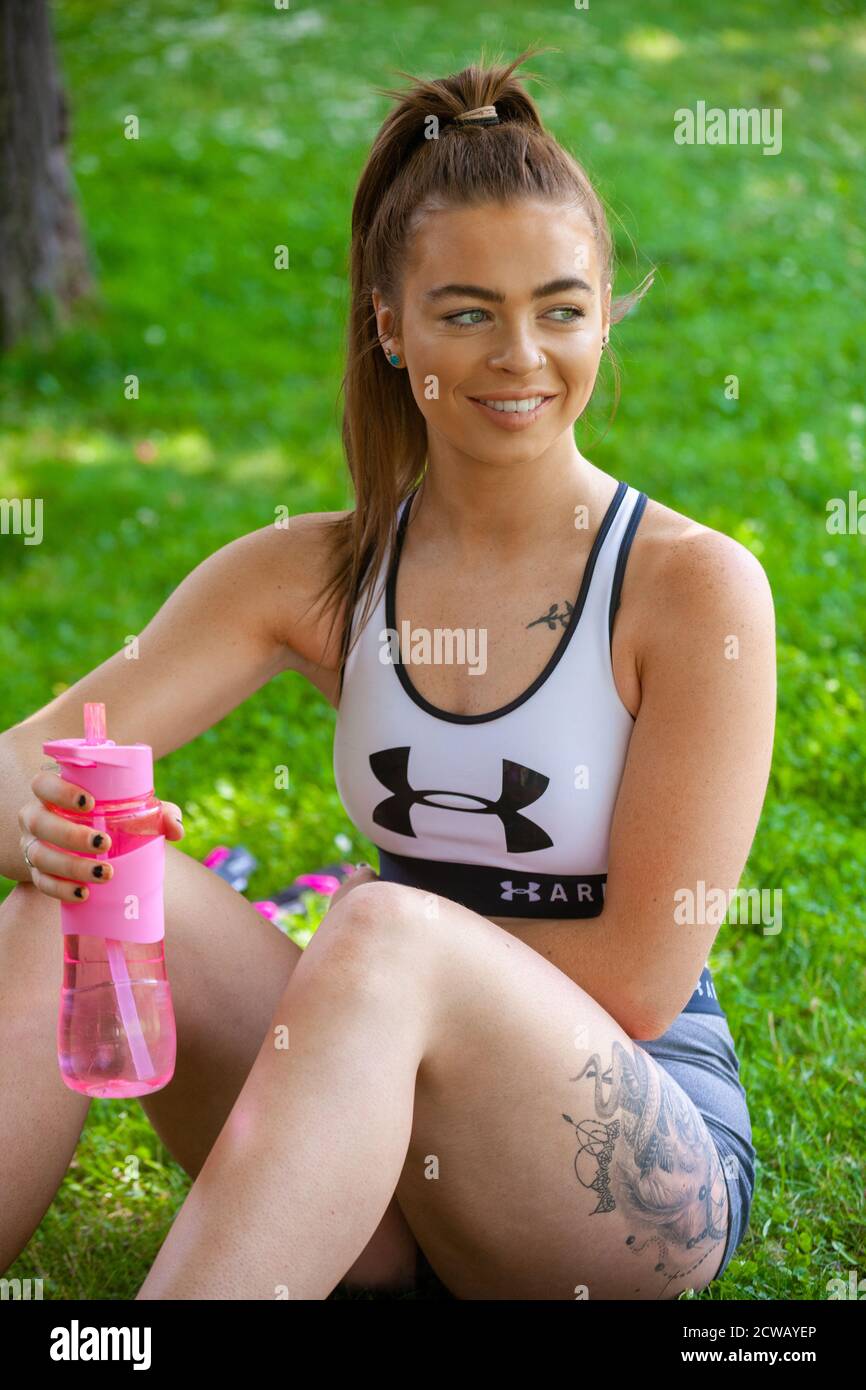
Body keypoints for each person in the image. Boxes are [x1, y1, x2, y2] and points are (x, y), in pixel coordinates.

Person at [0, 48, 775, 1301]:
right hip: (369, 1141)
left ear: (603, 311)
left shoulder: (691, 588)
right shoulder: (308, 573)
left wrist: (377, 968)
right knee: (80, 883)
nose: (519, 354)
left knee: (380, 932)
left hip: (620, 1173)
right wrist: (52, 827)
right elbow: (18, 763)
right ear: (388, 320)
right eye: (465, 310)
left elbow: (638, 977)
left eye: (561, 306)